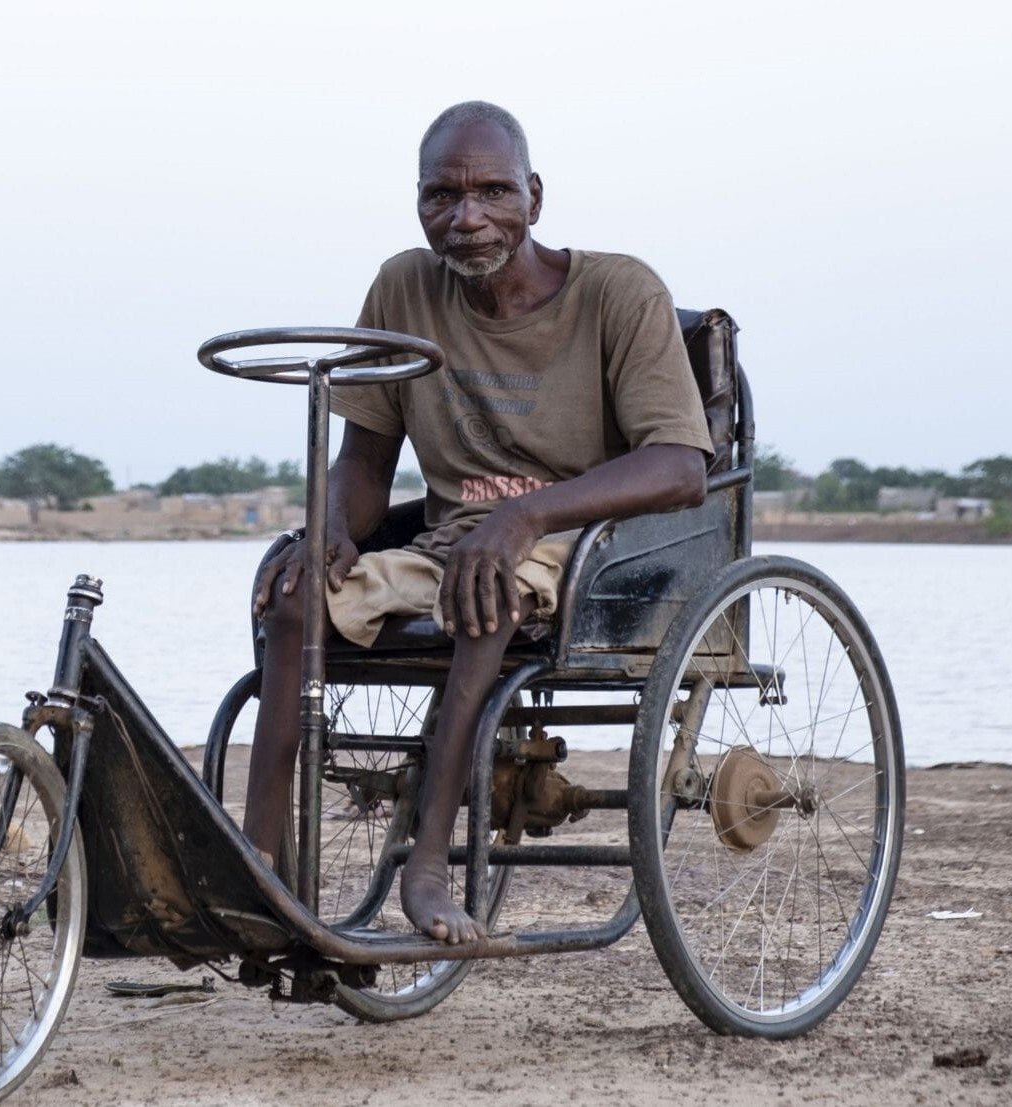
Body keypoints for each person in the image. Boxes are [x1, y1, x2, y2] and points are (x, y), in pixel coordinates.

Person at [242, 101, 713, 945]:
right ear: (418, 204)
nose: (466, 218)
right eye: (441, 197)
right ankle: (257, 869)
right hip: (444, 541)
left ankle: (427, 867)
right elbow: (363, 462)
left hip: (580, 549)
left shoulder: (618, 290)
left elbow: (680, 465)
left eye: (492, 192)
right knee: (291, 598)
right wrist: (326, 532)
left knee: (483, 587)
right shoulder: (401, 286)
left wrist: (523, 515)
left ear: (533, 196)